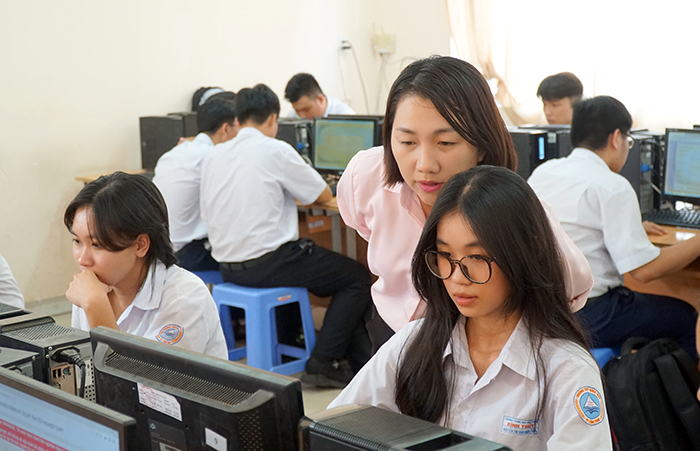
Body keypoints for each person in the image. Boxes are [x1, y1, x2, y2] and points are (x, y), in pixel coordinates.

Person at [329, 166, 612, 450]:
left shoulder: (566, 370)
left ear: (527, 253)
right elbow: (336, 428)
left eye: (477, 257)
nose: (456, 277)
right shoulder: (413, 341)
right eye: (445, 255)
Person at [337, 56, 593, 349]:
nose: (425, 165)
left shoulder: (517, 209)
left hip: (475, 344)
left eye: (445, 143)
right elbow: (363, 227)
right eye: (407, 142)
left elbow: (571, 290)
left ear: (482, 145)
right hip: (391, 330)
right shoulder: (366, 175)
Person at [200, 84, 373, 387]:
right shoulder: (275, 149)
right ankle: (323, 362)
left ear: (238, 119)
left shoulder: (214, 155)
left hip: (227, 266)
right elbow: (321, 194)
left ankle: (350, 360)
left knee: (330, 269)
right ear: (273, 119)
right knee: (355, 278)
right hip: (267, 265)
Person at [528, 96, 699, 361]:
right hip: (592, 314)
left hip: (542, 307)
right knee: (686, 317)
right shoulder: (612, 186)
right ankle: (668, 388)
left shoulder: (543, 172)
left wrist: (631, 226)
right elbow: (644, 271)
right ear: (616, 138)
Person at [64, 172, 228, 359]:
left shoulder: (185, 299)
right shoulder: (91, 289)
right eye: (77, 241)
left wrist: (96, 307)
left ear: (140, 245)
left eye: (97, 245)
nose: (82, 260)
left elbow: (137, 378)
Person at [153, 96, 238, 272]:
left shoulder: (173, 153)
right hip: (188, 256)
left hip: (159, 252)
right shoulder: (215, 156)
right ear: (226, 128)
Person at [284, 73, 355, 119]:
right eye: (297, 111)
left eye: (306, 110)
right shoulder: (294, 114)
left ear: (320, 99)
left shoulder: (344, 116)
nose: (301, 116)